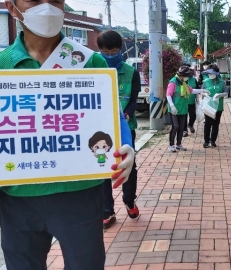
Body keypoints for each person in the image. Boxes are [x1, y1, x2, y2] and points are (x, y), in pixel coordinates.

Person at [0, 0, 135, 269]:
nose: (47, 8)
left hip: (80, 193)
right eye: (34, 0)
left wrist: (127, 146)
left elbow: (113, 116)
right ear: (12, 7)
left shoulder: (90, 61)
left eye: (55, 1)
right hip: (19, 198)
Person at [97, 29, 141, 228]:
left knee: (128, 165)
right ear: (100, 50)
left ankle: (129, 200)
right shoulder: (92, 69)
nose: (110, 55)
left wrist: (128, 112)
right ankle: (107, 209)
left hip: (125, 127)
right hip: (100, 130)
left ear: (120, 50)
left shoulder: (131, 72)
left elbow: (133, 99)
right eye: (106, 51)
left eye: (114, 51)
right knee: (104, 168)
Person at [167, 66, 206, 152]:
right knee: (175, 126)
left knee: (181, 127)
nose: (188, 77)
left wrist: (202, 91)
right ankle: (171, 145)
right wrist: (172, 105)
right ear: (182, 75)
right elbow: (168, 95)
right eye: (187, 76)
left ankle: (179, 144)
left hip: (183, 108)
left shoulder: (183, 83)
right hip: (174, 109)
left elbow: (191, 91)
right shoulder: (173, 82)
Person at [201, 64, 228, 148]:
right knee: (207, 124)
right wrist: (205, 93)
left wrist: (220, 95)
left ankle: (213, 140)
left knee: (216, 124)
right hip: (208, 106)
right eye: (209, 74)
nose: (210, 75)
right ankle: (206, 141)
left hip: (218, 107)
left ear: (216, 73)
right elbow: (202, 91)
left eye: (211, 73)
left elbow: (226, 92)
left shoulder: (222, 82)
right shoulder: (205, 82)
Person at [183, 64, 199, 137]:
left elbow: (197, 90)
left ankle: (190, 125)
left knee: (193, 116)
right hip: (183, 102)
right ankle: (184, 131)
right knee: (184, 117)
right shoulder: (181, 80)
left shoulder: (194, 80)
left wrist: (198, 99)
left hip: (191, 101)